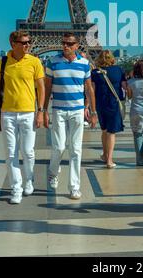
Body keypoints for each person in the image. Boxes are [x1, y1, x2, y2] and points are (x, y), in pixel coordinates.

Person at [0, 31, 45, 204]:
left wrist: (41, 111)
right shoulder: (3, 62)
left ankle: (29, 179)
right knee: (10, 153)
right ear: (13, 43)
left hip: (28, 112)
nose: (27, 45)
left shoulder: (35, 61)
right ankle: (16, 187)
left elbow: (41, 88)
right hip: (8, 113)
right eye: (24, 43)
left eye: (29, 42)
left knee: (28, 152)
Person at [44, 33, 97, 200]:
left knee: (75, 150)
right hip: (58, 109)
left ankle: (74, 186)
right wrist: (43, 110)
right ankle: (53, 172)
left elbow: (89, 89)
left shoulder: (84, 64)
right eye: (64, 43)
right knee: (58, 147)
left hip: (77, 110)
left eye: (69, 43)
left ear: (77, 45)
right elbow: (47, 88)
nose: (65, 46)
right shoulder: (53, 62)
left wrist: (93, 112)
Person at [91, 50, 127, 169]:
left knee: (104, 130)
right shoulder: (118, 70)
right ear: (111, 58)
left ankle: (105, 155)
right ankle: (109, 159)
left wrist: (90, 108)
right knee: (111, 132)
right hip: (114, 104)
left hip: (100, 104)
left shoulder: (95, 73)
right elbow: (125, 87)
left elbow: (92, 90)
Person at [127, 60, 143, 166]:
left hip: (136, 110)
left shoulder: (131, 82)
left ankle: (139, 160)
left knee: (138, 135)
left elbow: (129, 96)